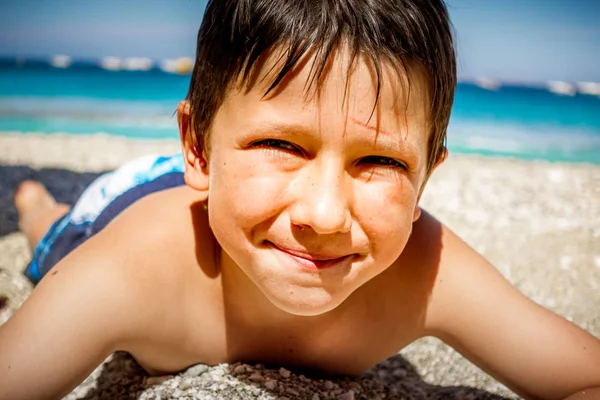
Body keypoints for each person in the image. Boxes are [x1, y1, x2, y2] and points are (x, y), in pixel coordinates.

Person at [1, 0, 599, 399]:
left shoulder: (426, 272)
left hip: (232, 188)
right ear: (199, 149)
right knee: (52, 238)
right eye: (282, 144)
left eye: (381, 161)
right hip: (120, 204)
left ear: (425, 182)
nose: (325, 214)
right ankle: (34, 200)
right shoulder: (129, 269)